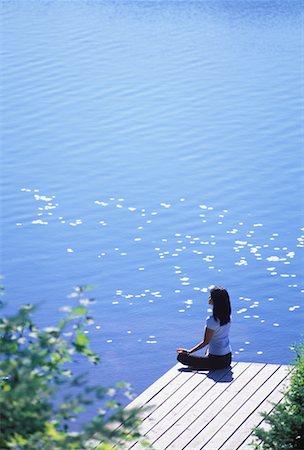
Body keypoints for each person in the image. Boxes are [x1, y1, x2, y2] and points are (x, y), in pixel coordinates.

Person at [176, 286, 232, 370]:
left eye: (211, 296)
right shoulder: (228, 317)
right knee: (208, 348)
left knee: (181, 357)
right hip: (227, 358)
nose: (209, 298)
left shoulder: (211, 321)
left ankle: (205, 363)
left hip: (216, 361)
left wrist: (189, 351)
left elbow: (206, 342)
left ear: (215, 301)